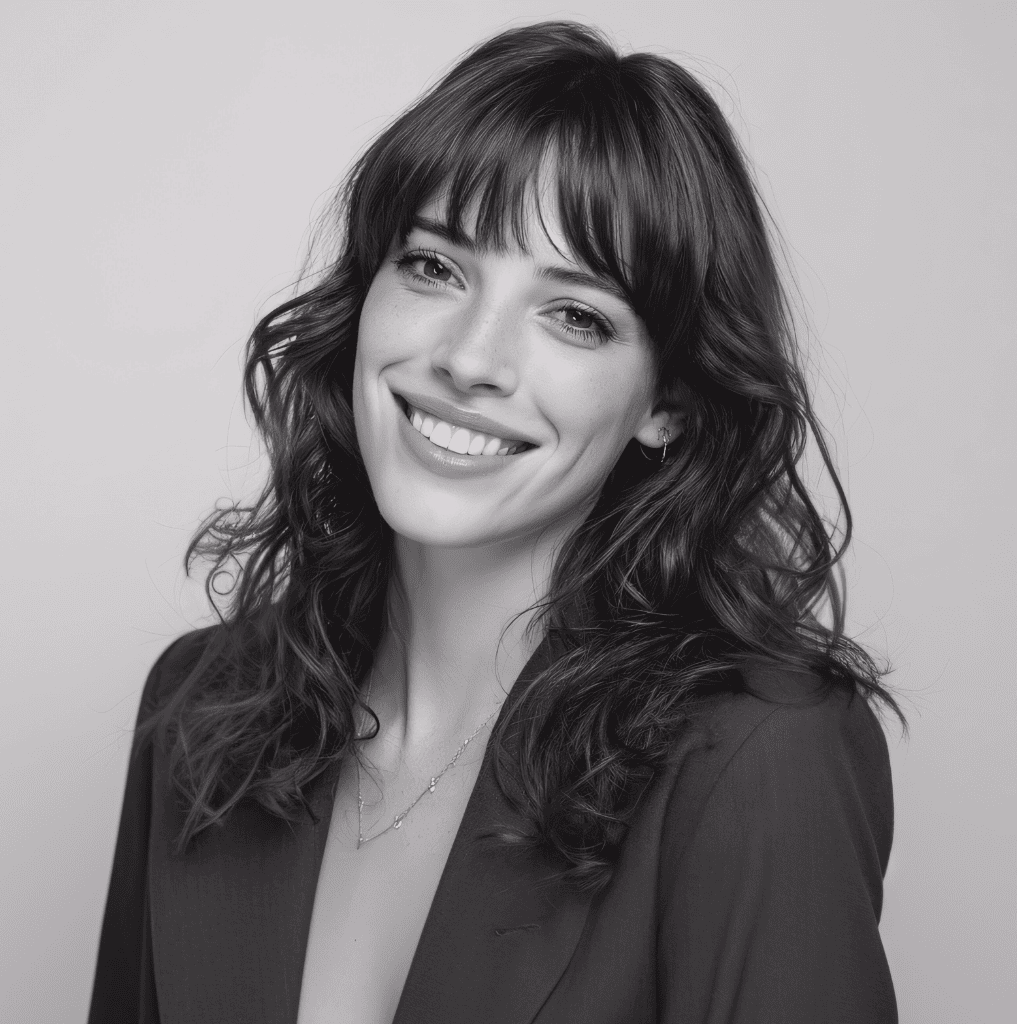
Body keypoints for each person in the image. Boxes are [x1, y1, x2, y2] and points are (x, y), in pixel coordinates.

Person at [89, 20, 904, 1024]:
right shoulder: (198, 710)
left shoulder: (756, 757)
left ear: (668, 402)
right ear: (366, 294)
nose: (471, 359)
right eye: (435, 267)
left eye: (576, 315)